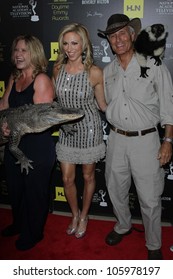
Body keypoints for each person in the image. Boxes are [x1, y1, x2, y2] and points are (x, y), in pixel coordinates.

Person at [98, 14, 173, 259]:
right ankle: (123, 225)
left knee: (150, 197)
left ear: (132, 35)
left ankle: (153, 244)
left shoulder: (154, 65)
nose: (117, 39)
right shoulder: (107, 71)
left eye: (122, 33)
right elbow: (104, 104)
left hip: (146, 140)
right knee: (115, 189)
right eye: (112, 35)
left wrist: (168, 141)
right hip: (117, 139)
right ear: (108, 40)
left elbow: (168, 107)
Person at [0, 35, 56, 250]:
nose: (18, 54)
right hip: (14, 144)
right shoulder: (14, 77)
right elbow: (5, 105)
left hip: (37, 146)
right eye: (16, 50)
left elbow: (39, 121)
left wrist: (11, 128)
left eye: (24, 50)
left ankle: (34, 233)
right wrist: (3, 124)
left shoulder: (41, 79)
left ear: (34, 53)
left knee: (34, 193)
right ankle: (19, 223)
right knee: (15, 190)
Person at [52, 23, 107, 238]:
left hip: (90, 131)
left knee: (88, 176)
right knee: (66, 179)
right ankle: (74, 214)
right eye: (65, 43)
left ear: (83, 45)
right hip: (66, 131)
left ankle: (84, 215)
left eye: (74, 43)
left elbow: (102, 106)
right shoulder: (57, 68)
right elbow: (53, 101)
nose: (69, 48)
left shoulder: (94, 72)